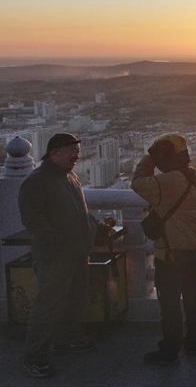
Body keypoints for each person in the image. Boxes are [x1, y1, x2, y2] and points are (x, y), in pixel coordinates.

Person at [18, 133, 97, 378]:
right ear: (54, 153)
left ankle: (66, 340)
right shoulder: (36, 181)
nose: (77, 156)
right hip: (55, 256)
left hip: (78, 252)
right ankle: (34, 356)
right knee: (48, 307)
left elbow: (79, 211)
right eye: (71, 151)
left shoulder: (70, 176)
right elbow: (33, 219)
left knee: (75, 300)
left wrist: (92, 228)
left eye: (78, 151)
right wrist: (56, 241)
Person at [132, 134, 196, 364]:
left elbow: (137, 183)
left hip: (170, 253)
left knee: (169, 302)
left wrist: (148, 159)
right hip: (194, 250)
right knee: (192, 297)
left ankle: (170, 348)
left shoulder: (166, 183)